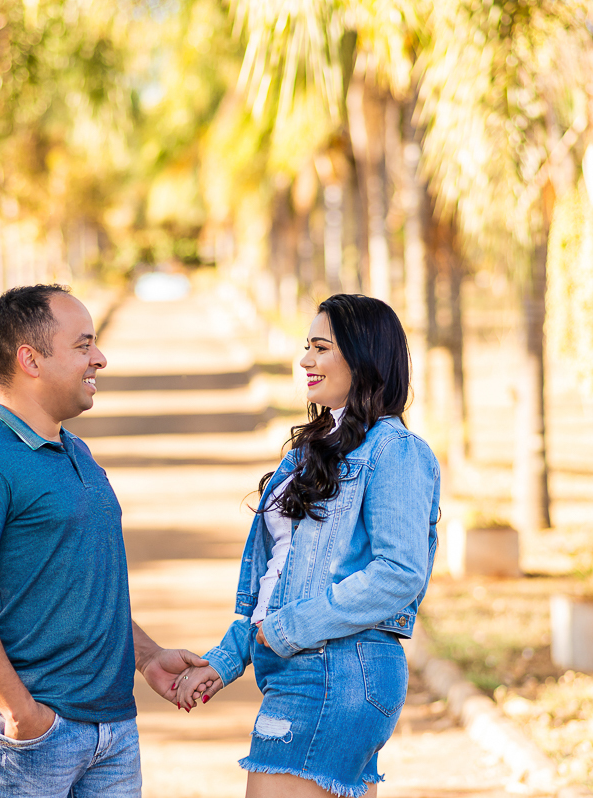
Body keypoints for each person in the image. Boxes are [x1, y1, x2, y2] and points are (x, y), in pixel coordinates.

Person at [0, 284, 207, 798]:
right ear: (30, 360)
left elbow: (75, 586)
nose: (99, 358)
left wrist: (147, 657)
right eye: (83, 345)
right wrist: (21, 714)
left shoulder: (77, 451)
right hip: (29, 738)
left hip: (112, 732)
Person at [175, 294, 441, 798]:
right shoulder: (313, 449)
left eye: (321, 348)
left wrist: (285, 630)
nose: (305, 361)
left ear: (363, 357)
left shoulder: (395, 451)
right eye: (307, 347)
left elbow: (399, 573)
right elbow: (280, 575)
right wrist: (226, 658)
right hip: (311, 665)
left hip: (334, 669)